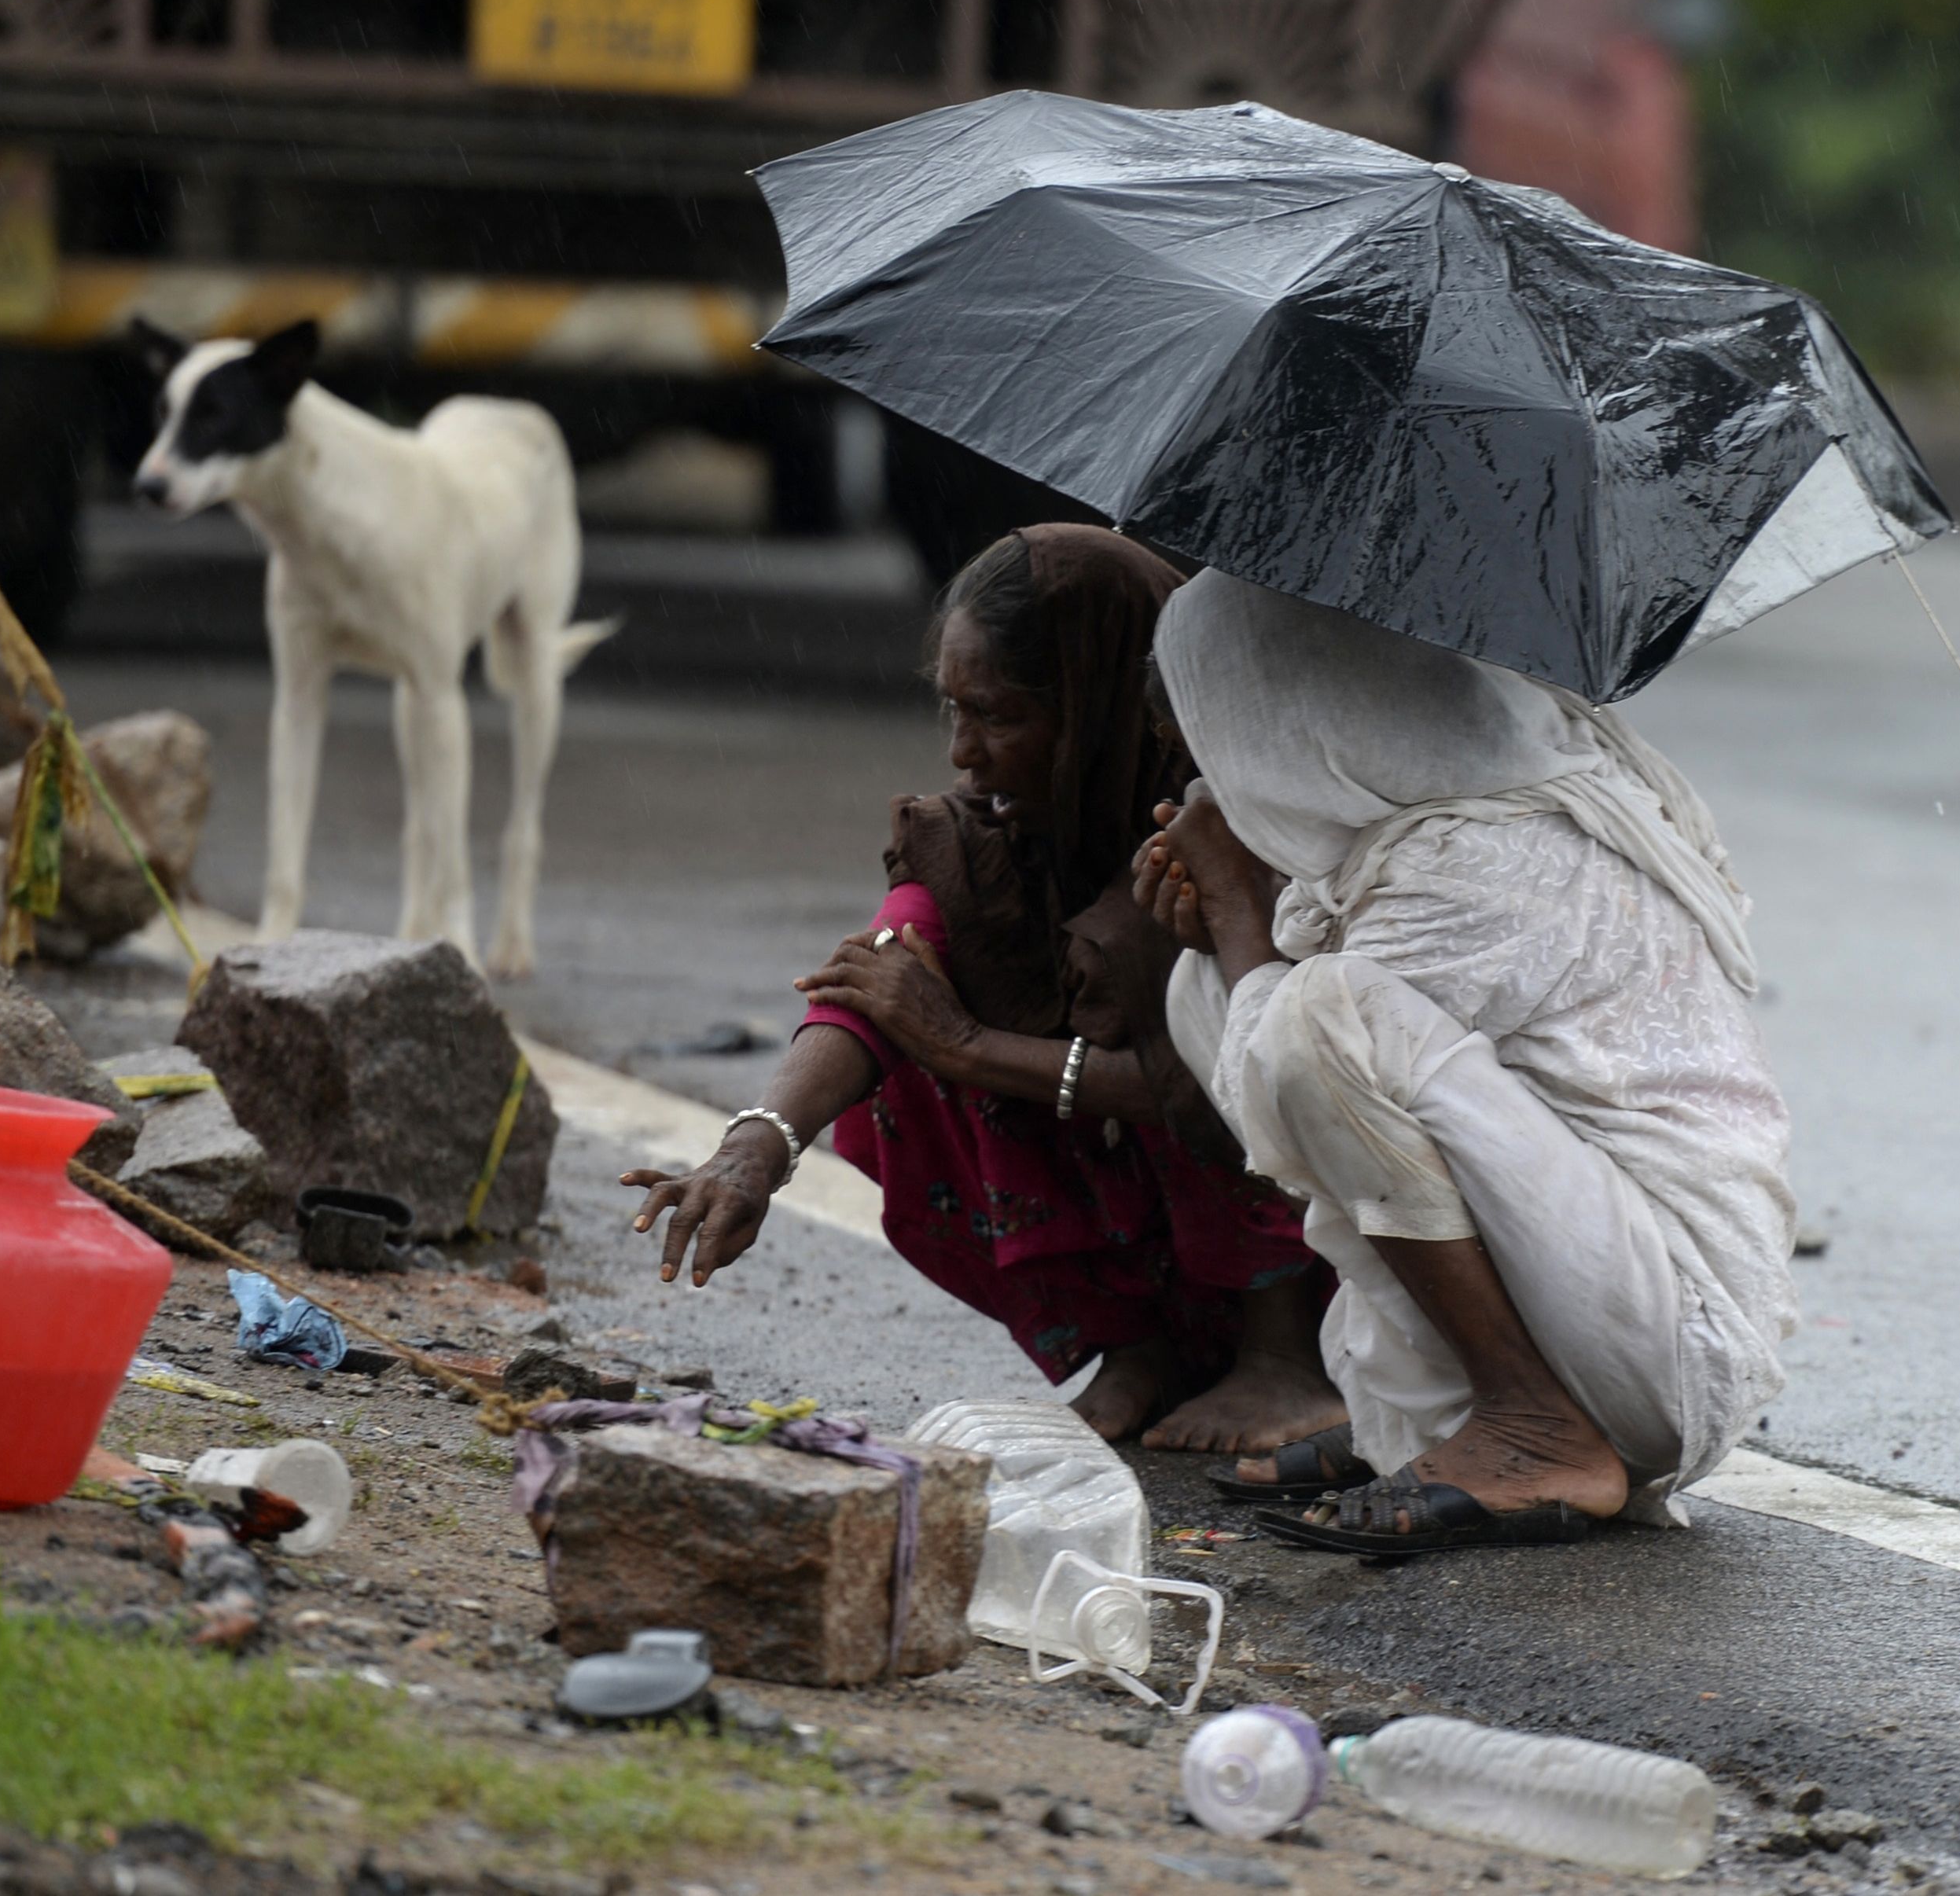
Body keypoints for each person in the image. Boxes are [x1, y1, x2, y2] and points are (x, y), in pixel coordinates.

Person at [623, 527, 1344, 1453]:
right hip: (1167, 1227)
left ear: (1096, 709)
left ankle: (1284, 1356)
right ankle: (1142, 1348)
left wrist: (966, 1044)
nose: (963, 752)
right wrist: (758, 1146)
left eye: (997, 716)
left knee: (1135, 1003)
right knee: (904, 1043)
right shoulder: (1000, 833)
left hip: (1324, 1242)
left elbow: (1225, 1079)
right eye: (952, 710)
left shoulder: (1245, 820)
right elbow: (885, 960)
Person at [1136, 571, 1795, 1555]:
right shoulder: (1429, 824)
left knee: (1318, 1015)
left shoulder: (1501, 850)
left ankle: (1537, 1427)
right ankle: (1426, 1421)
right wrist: (1235, 917)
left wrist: (1238, 904)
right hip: (1594, 1293)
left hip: (1669, 1336)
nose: (1209, 766)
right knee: (1217, 988)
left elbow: (1285, 1066)